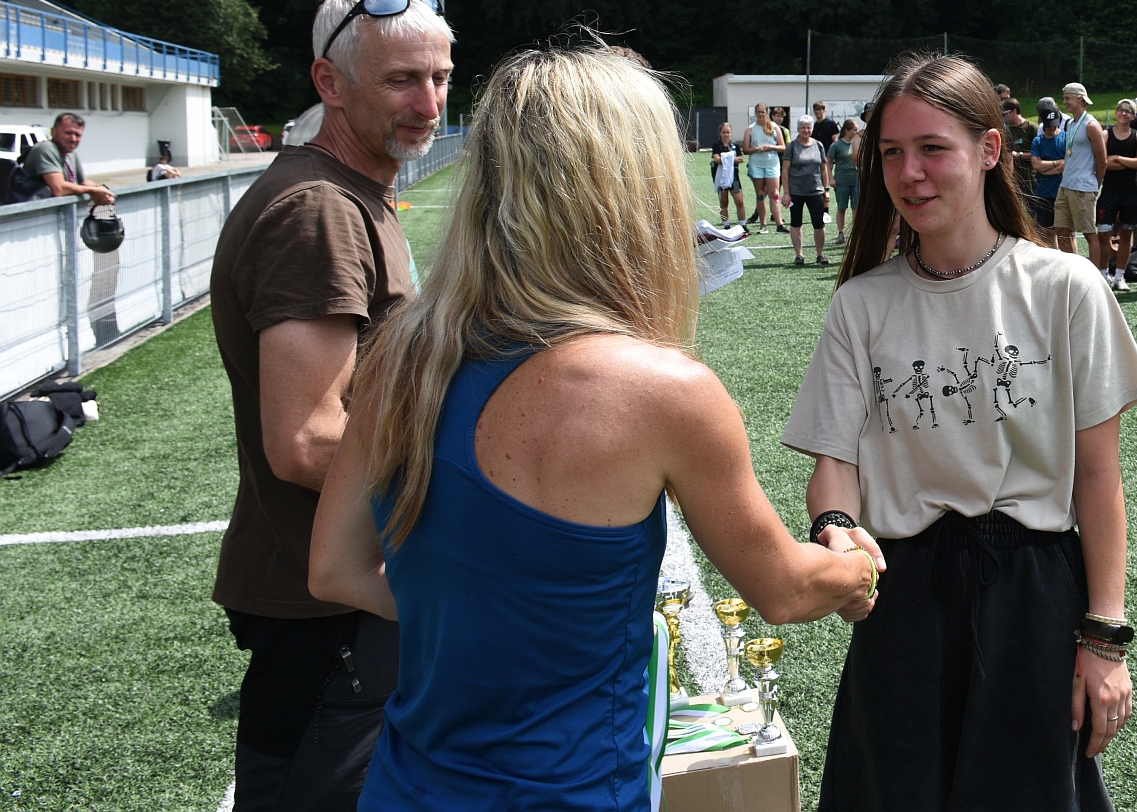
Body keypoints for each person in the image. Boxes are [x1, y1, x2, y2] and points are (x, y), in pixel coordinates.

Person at [309, 43, 875, 812]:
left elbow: (335, 571)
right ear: (633, 188)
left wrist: (483, 618)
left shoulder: (401, 355)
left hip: (404, 790)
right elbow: (785, 589)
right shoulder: (664, 390)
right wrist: (855, 565)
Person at [782, 54, 1137, 810]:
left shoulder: (1066, 287)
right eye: (892, 153)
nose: (909, 173)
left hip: (1034, 597)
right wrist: (835, 528)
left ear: (989, 150)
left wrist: (1104, 639)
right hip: (903, 598)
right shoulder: (860, 304)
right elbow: (836, 462)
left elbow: (1097, 477)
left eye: (932, 148)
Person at [211, 0, 452, 810]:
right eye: (401, 80)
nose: (429, 103)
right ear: (329, 83)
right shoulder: (319, 210)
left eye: (439, 77)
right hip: (326, 613)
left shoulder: (353, 193)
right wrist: (469, 494)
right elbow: (307, 440)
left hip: (342, 593)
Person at [1094, 100, 1137, 292]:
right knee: (1103, 235)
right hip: (1109, 192)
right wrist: (1128, 162)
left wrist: (1117, 158)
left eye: (1128, 111)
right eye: (1120, 110)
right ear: (1116, 113)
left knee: (1126, 234)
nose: (1123, 113)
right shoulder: (1106, 134)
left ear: (1133, 116)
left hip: (1131, 193)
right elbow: (1103, 162)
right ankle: (1103, 274)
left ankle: (1119, 276)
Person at [1053, 83, 1107, 261]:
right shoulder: (1070, 123)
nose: (1065, 102)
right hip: (1066, 185)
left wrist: (1095, 185)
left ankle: (1094, 274)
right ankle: (1074, 271)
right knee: (1061, 230)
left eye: (1068, 98)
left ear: (1079, 99)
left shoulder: (1091, 125)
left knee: (1089, 234)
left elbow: (1102, 160)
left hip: (1083, 187)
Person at [19, 112, 114, 204]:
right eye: (68, 133)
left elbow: (83, 182)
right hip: (36, 212)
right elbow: (59, 188)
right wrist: (94, 191)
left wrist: (103, 190)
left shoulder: (71, 154)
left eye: (77, 135)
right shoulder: (46, 148)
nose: (73, 139)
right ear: (53, 132)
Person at [783, 117, 832, 267]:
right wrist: (786, 192)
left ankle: (820, 254)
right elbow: (785, 170)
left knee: (819, 224)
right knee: (796, 223)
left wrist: (826, 189)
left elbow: (823, 168)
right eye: (803, 127)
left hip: (816, 191)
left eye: (808, 127)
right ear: (798, 129)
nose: (806, 130)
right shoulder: (791, 146)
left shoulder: (818, 145)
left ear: (812, 128)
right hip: (796, 191)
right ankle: (799, 255)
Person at [1029, 101, 1069, 247]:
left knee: (1066, 232)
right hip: (1043, 192)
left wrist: (1045, 168)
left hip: (1062, 192)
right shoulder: (1038, 141)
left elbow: (1067, 165)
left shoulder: (1066, 138)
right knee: (1046, 231)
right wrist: (1057, 163)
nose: (1052, 127)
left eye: (1054, 124)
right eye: (1048, 124)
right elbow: (1036, 165)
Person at [743, 104, 786, 232]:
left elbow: (782, 147)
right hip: (756, 165)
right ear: (755, 113)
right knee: (760, 194)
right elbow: (745, 149)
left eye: (763, 112)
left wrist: (771, 147)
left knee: (775, 194)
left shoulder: (774, 127)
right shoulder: (750, 129)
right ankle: (763, 225)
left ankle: (779, 225)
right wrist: (757, 149)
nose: (761, 114)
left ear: (767, 113)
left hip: (772, 164)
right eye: (759, 112)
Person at [829, 119, 862, 244]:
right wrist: (831, 178)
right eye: (854, 130)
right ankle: (841, 233)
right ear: (847, 130)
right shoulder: (836, 145)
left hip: (856, 180)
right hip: (841, 181)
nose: (856, 132)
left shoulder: (857, 143)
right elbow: (828, 161)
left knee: (856, 207)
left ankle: (855, 233)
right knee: (841, 207)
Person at [711, 121, 746, 225]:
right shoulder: (716, 145)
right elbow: (717, 159)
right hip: (722, 178)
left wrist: (726, 158)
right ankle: (726, 225)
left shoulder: (735, 145)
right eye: (724, 132)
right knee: (724, 202)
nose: (726, 135)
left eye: (728, 132)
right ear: (720, 133)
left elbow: (741, 158)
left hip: (734, 178)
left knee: (739, 201)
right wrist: (732, 158)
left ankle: (743, 225)